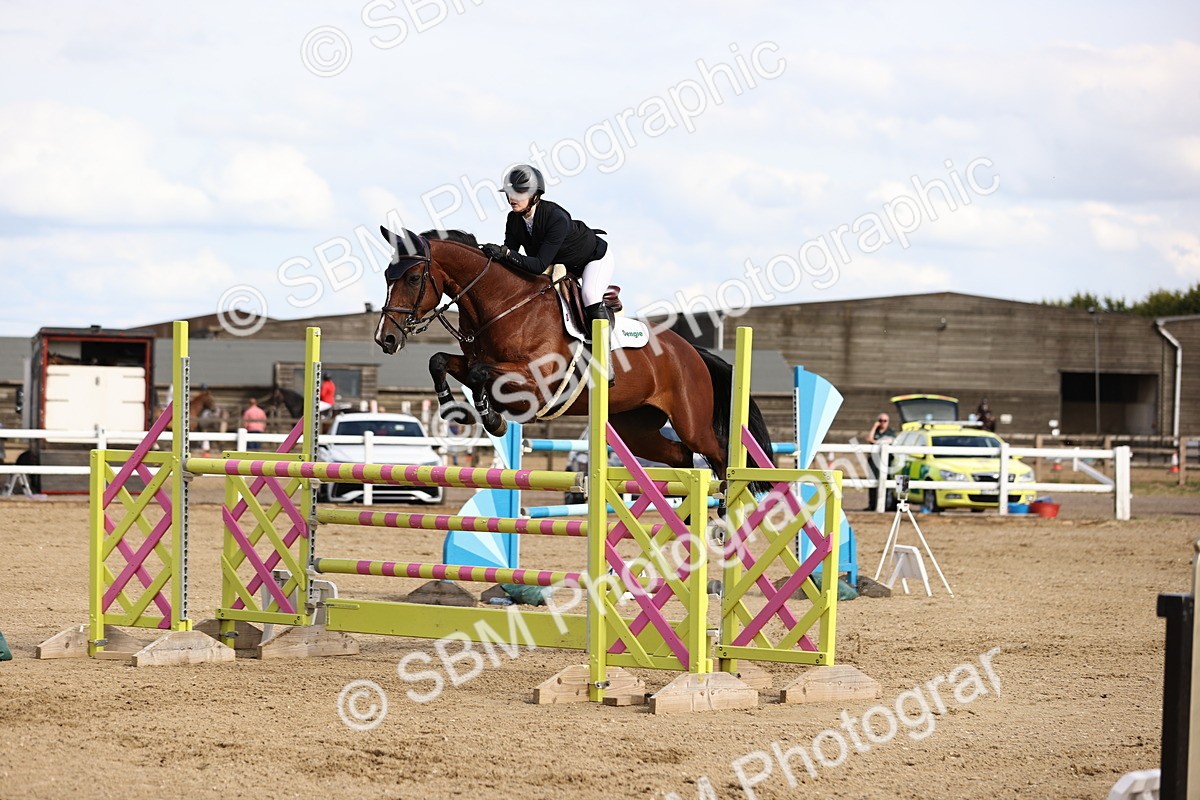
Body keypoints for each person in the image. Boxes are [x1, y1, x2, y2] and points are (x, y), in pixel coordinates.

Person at [480, 164, 612, 331]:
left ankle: (602, 353)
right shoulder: (513, 219)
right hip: (561, 264)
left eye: (519, 193)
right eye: (509, 193)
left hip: (593, 259)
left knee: (589, 295)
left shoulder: (556, 218)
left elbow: (538, 265)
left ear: (535, 196)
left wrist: (505, 253)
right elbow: (510, 255)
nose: (512, 198)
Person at [864, 412, 896, 510]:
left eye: (885, 421)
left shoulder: (890, 432)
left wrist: (875, 442)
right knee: (872, 482)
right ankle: (872, 505)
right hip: (873, 461)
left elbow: (890, 441)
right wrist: (874, 427)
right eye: (880, 420)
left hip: (886, 462)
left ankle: (885, 505)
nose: (882, 423)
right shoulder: (876, 431)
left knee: (885, 483)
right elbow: (869, 439)